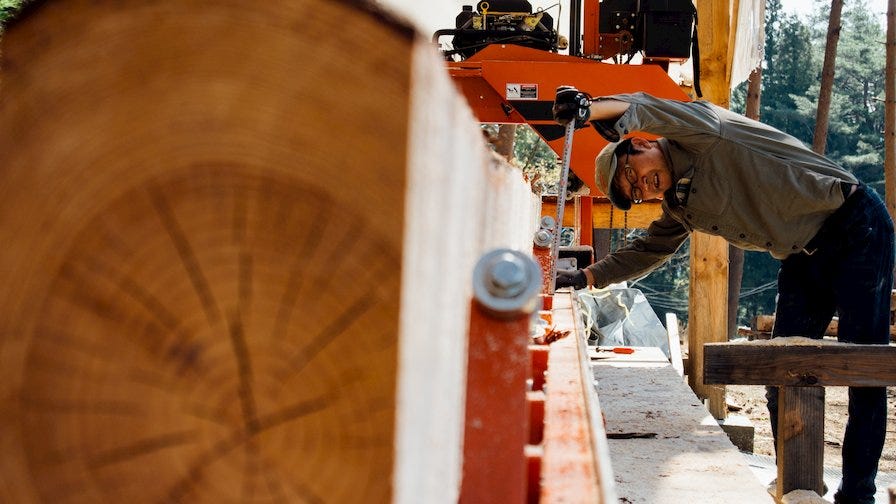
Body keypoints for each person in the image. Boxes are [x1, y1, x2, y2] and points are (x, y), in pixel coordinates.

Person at [552, 86, 894, 504]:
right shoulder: (680, 205)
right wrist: (585, 277)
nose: (643, 185)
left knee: (863, 370)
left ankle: (858, 494)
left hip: (856, 225)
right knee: (784, 372)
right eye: (637, 194)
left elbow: (644, 105)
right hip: (803, 256)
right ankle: (801, 487)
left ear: (639, 145)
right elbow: (649, 249)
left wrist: (592, 107)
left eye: (631, 174)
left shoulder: (700, 131)